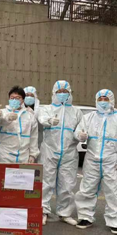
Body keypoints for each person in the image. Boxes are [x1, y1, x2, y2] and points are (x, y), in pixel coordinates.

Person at [38, 80, 83, 226]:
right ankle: (43, 211)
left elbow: (80, 128)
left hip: (69, 152)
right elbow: (41, 118)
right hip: (49, 150)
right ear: (54, 93)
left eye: (65, 91)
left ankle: (65, 213)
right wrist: (49, 120)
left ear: (69, 93)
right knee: (46, 182)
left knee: (67, 183)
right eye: (59, 91)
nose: (62, 94)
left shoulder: (76, 112)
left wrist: (80, 135)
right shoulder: (47, 109)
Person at [74, 89, 117, 234]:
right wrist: (80, 135)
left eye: (106, 99)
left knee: (113, 190)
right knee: (87, 188)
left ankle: (115, 220)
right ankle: (85, 216)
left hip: (111, 159)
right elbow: (78, 132)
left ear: (111, 100)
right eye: (100, 99)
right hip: (92, 158)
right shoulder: (89, 117)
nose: (103, 102)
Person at [0, 86, 39, 163]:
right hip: (4, 155)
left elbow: (34, 137)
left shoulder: (30, 116)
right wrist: (2, 117)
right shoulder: (3, 112)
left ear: (23, 100)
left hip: (23, 157)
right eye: (12, 98)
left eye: (18, 98)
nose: (14, 100)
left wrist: (33, 154)